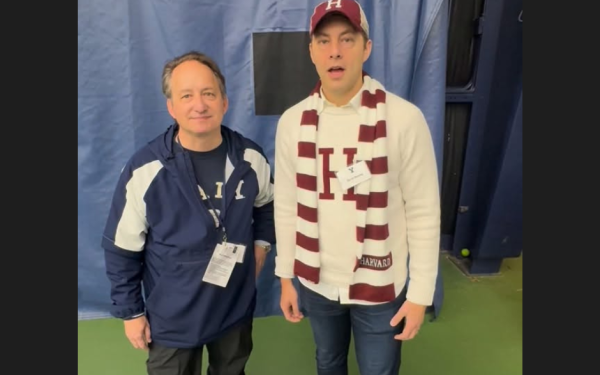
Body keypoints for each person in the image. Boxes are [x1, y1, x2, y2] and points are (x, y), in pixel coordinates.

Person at [273, 1, 440, 374]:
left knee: (379, 370)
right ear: (312, 51)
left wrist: (420, 293)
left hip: (380, 283)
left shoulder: (404, 119)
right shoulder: (292, 122)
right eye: (324, 40)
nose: (335, 50)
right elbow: (286, 205)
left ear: (367, 47)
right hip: (317, 283)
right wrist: (286, 276)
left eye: (347, 39)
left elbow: (424, 211)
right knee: (328, 361)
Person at [102, 51, 275, 375]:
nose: (200, 105)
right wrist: (131, 313)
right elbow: (121, 248)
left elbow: (267, 204)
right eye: (187, 95)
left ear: (224, 102)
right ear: (171, 107)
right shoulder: (146, 169)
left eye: (209, 94)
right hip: (172, 317)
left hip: (233, 308)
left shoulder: (250, 158)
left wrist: (262, 245)